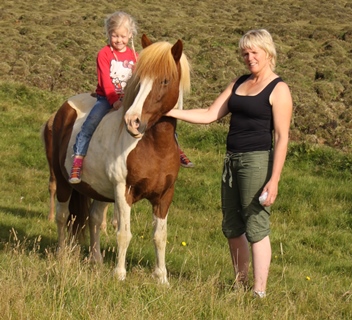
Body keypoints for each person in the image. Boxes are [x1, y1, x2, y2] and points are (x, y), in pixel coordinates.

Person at [166, 29, 293, 298]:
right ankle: (239, 283)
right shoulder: (238, 83)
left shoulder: (278, 89)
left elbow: (282, 138)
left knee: (256, 224)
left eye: (253, 52)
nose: (248, 58)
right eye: (244, 53)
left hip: (257, 162)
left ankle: (259, 291)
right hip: (231, 161)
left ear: (267, 52)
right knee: (232, 225)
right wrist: (168, 111)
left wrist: (275, 179)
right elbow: (210, 114)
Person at [69, 12, 193, 183]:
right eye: (114, 35)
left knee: (162, 119)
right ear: (108, 34)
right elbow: (105, 82)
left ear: (130, 35)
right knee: (90, 122)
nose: (119, 40)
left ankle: (177, 149)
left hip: (131, 98)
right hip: (107, 98)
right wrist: (114, 101)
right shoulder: (104, 54)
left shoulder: (136, 56)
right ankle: (78, 157)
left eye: (122, 36)